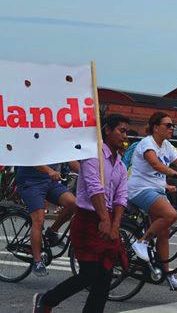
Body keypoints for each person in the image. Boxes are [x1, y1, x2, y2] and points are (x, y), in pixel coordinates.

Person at [33, 114, 131, 313]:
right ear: (107, 130)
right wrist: (104, 218)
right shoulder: (93, 156)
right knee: (88, 274)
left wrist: (114, 225)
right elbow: (95, 188)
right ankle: (46, 300)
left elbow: (121, 197)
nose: (124, 136)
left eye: (127, 132)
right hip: (88, 220)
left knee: (105, 277)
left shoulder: (120, 164)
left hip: (108, 220)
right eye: (121, 130)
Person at [127, 112, 177, 290]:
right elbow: (155, 164)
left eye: (173, 125)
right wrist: (173, 173)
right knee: (170, 214)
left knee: (164, 233)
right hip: (140, 189)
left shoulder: (167, 145)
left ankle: (167, 275)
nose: (172, 128)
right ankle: (142, 241)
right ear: (156, 127)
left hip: (156, 189)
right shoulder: (147, 143)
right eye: (168, 125)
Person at [16, 161, 78, 277]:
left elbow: (70, 159)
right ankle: (37, 261)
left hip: (50, 182)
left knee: (73, 204)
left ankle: (52, 231)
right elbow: (31, 158)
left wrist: (90, 173)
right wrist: (49, 171)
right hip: (30, 182)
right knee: (39, 219)